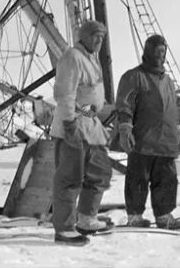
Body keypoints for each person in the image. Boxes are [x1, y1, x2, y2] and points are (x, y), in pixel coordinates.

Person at [50, 20, 113, 245]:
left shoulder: (90, 58)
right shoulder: (72, 57)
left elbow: (88, 97)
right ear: (84, 36)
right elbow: (65, 95)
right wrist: (69, 126)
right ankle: (65, 229)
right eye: (95, 36)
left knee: (100, 172)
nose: (99, 40)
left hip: (89, 123)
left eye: (102, 37)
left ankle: (86, 218)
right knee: (69, 178)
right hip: (73, 125)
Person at [115, 34, 180, 229]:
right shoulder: (133, 77)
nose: (160, 56)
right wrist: (125, 128)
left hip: (165, 142)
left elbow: (172, 111)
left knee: (166, 180)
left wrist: (177, 135)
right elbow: (124, 105)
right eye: (157, 52)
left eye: (163, 52)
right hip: (142, 140)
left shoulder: (168, 81)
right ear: (148, 52)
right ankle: (135, 217)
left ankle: (164, 216)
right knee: (138, 179)